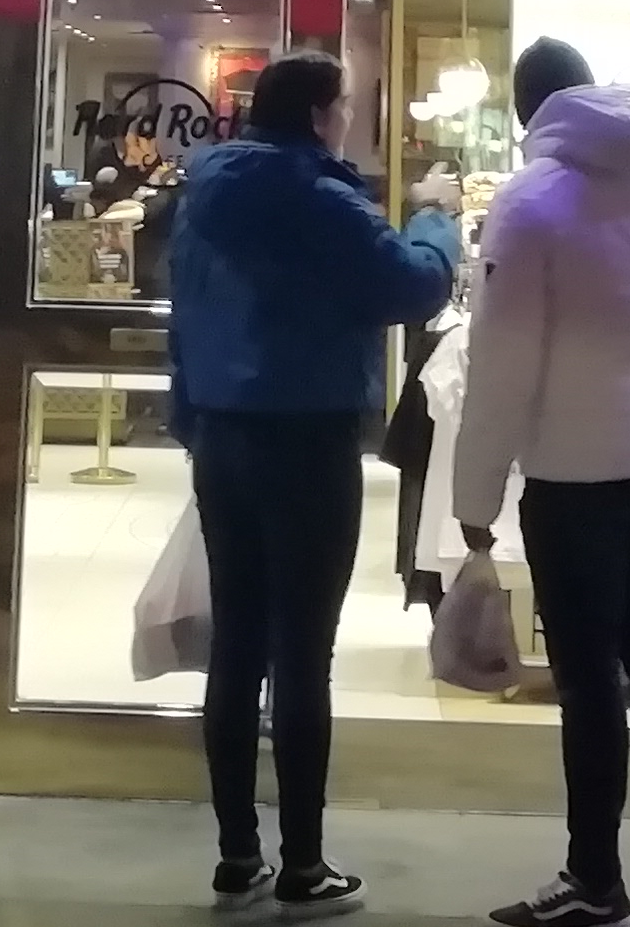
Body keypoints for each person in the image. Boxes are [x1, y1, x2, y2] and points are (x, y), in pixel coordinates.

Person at [450, 38, 630, 927]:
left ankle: (594, 879)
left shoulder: (531, 201)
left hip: (575, 466)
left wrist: (474, 499)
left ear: (527, 112)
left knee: (586, 677)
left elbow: (503, 364)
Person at [166, 50, 456, 916]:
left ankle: (236, 856)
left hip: (223, 435)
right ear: (324, 113)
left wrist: (193, 419)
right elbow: (413, 285)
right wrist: (435, 218)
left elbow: (186, 314)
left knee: (237, 645)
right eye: (346, 105)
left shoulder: (206, 190)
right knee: (302, 652)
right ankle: (304, 865)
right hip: (308, 441)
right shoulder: (321, 198)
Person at [383, 161, 467, 608]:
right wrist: (433, 210)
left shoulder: (206, 201)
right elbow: (415, 284)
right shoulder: (331, 198)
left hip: (227, 414)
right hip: (314, 416)